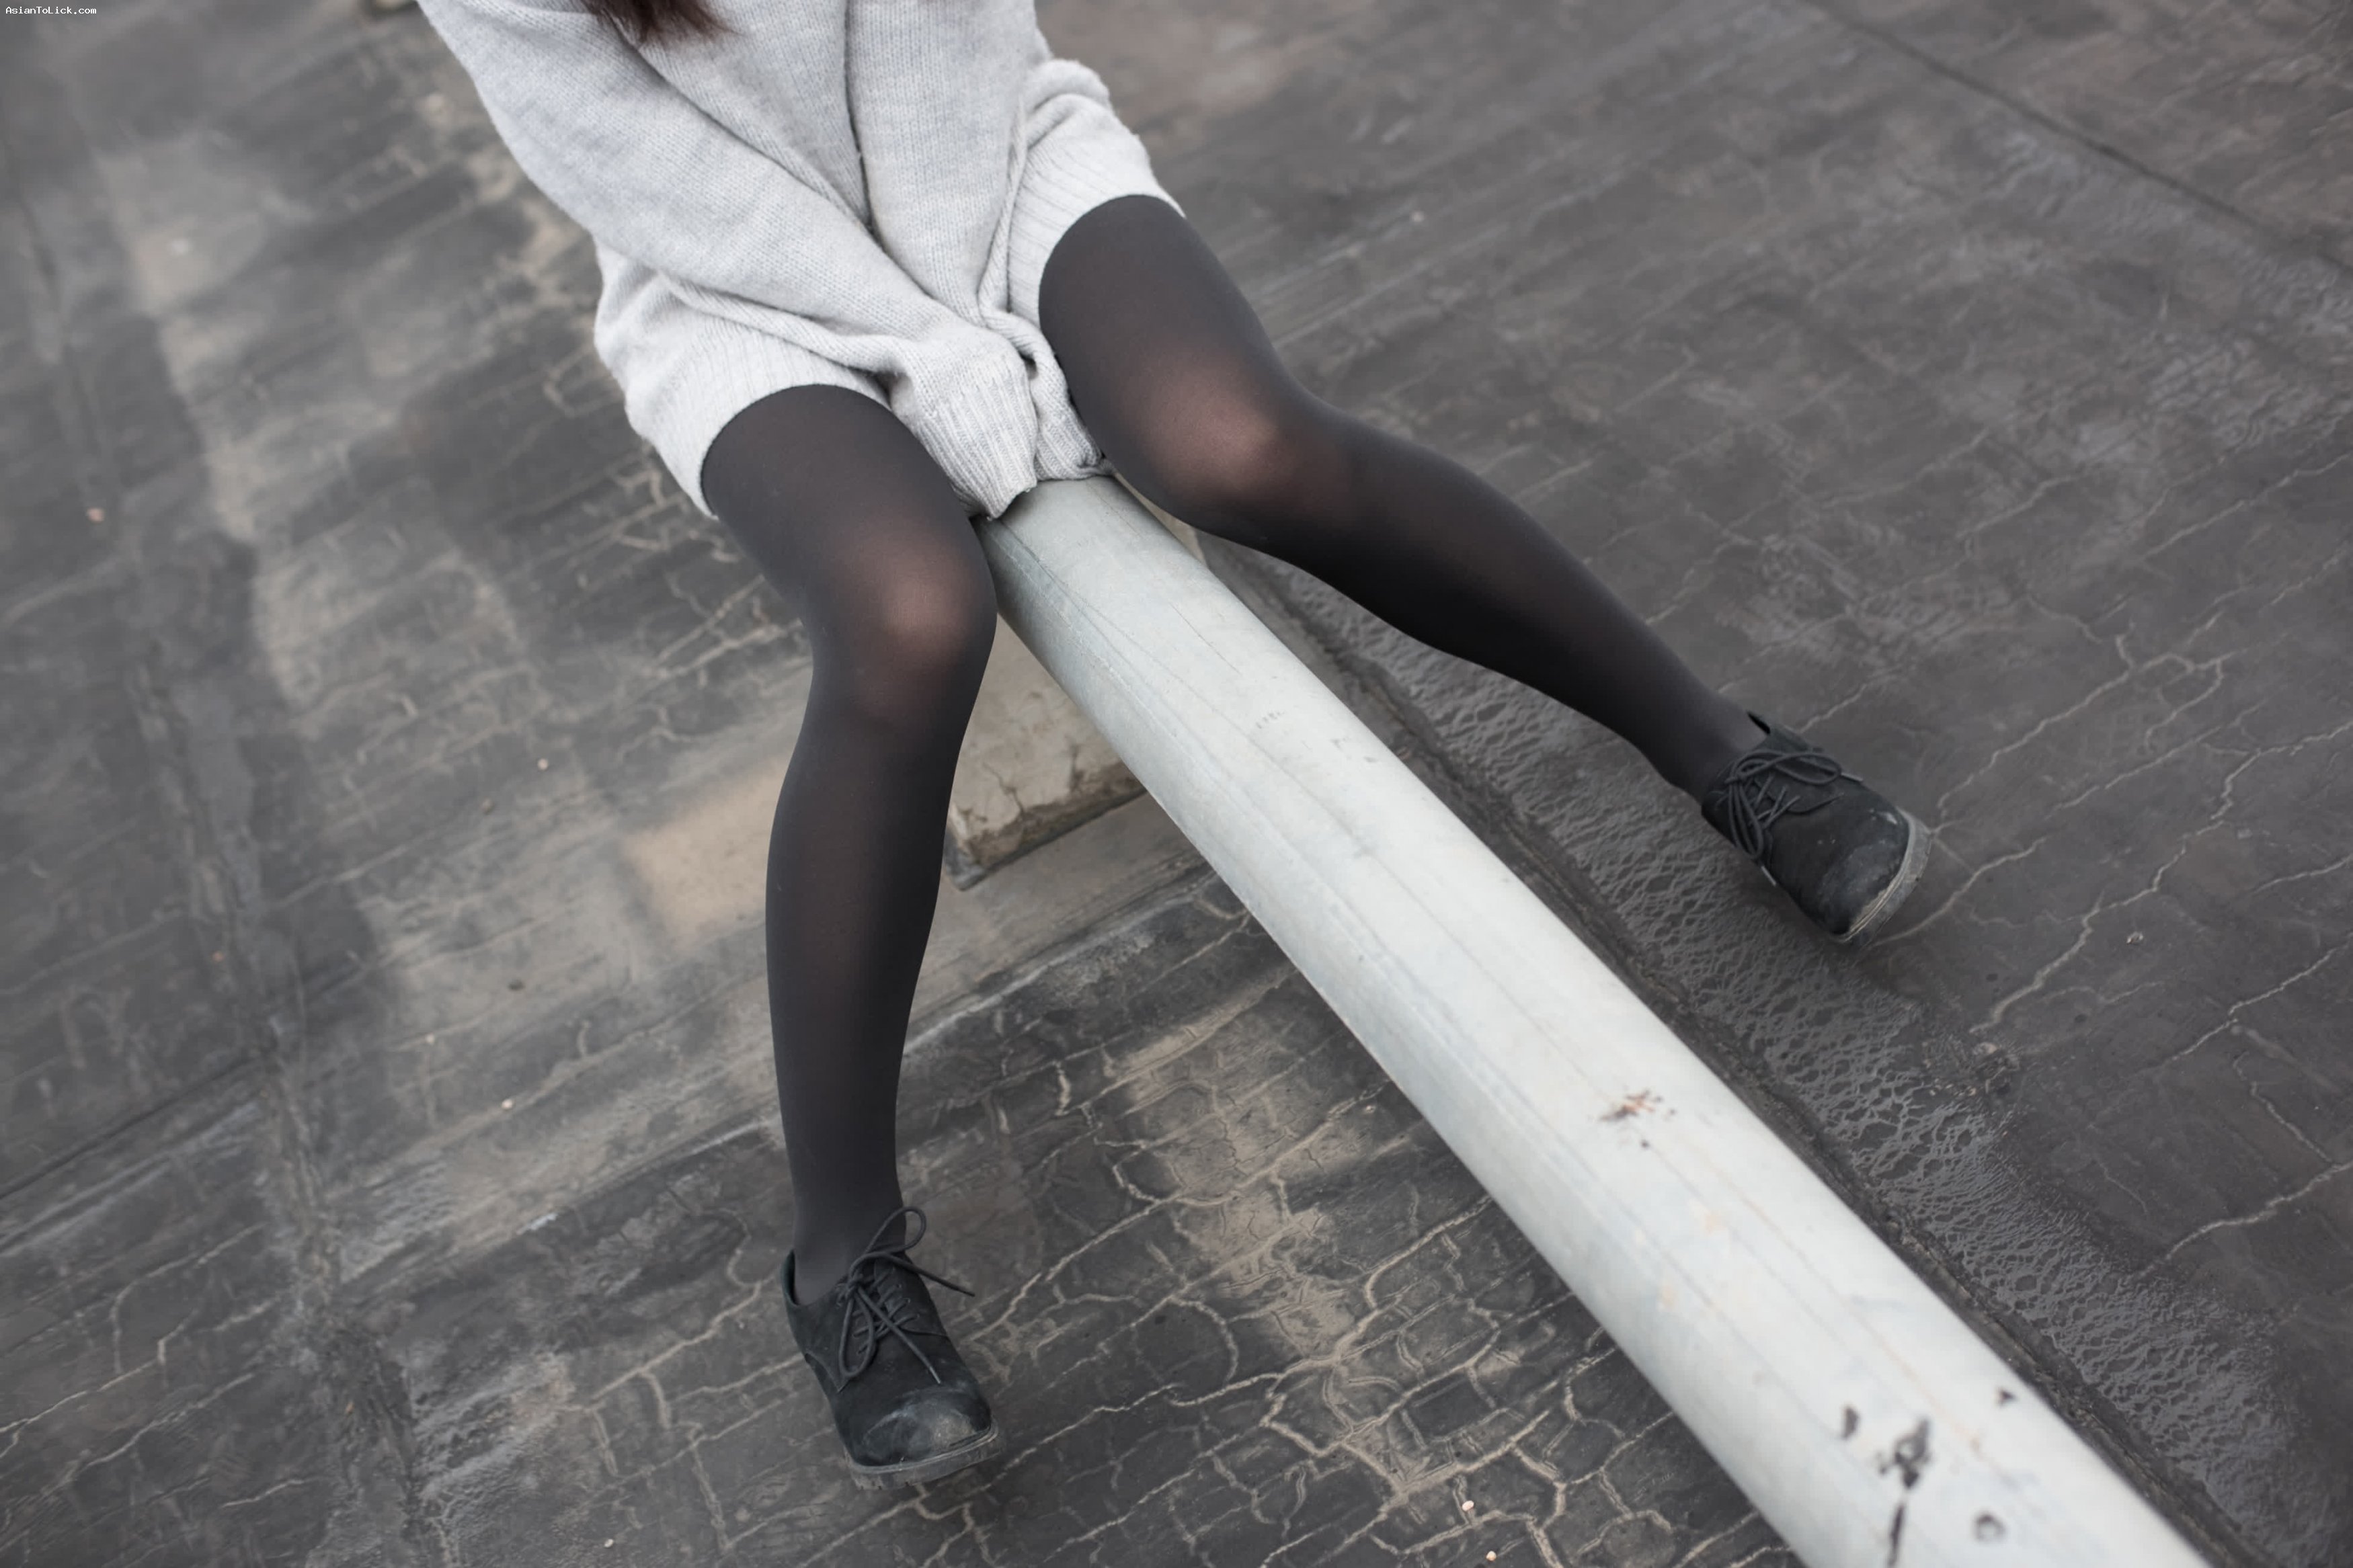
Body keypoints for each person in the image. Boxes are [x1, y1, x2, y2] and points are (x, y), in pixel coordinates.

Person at [413, 0, 1929, 1489]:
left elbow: (946, 38)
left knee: (1241, 445)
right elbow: (652, 181)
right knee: (908, 621)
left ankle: (1725, 752)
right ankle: (839, 1255)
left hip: (992, 169)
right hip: (740, 299)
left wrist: (973, 325)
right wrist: (929, 352)